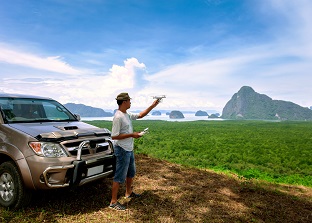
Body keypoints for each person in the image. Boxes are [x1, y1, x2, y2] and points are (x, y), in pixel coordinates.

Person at [109, 92, 159, 211]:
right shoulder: (118, 117)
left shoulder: (126, 114)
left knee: (131, 172)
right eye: (129, 101)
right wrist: (132, 134)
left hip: (129, 149)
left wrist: (153, 105)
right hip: (122, 149)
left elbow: (141, 115)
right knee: (120, 175)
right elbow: (114, 136)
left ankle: (128, 192)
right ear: (124, 102)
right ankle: (113, 202)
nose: (131, 102)